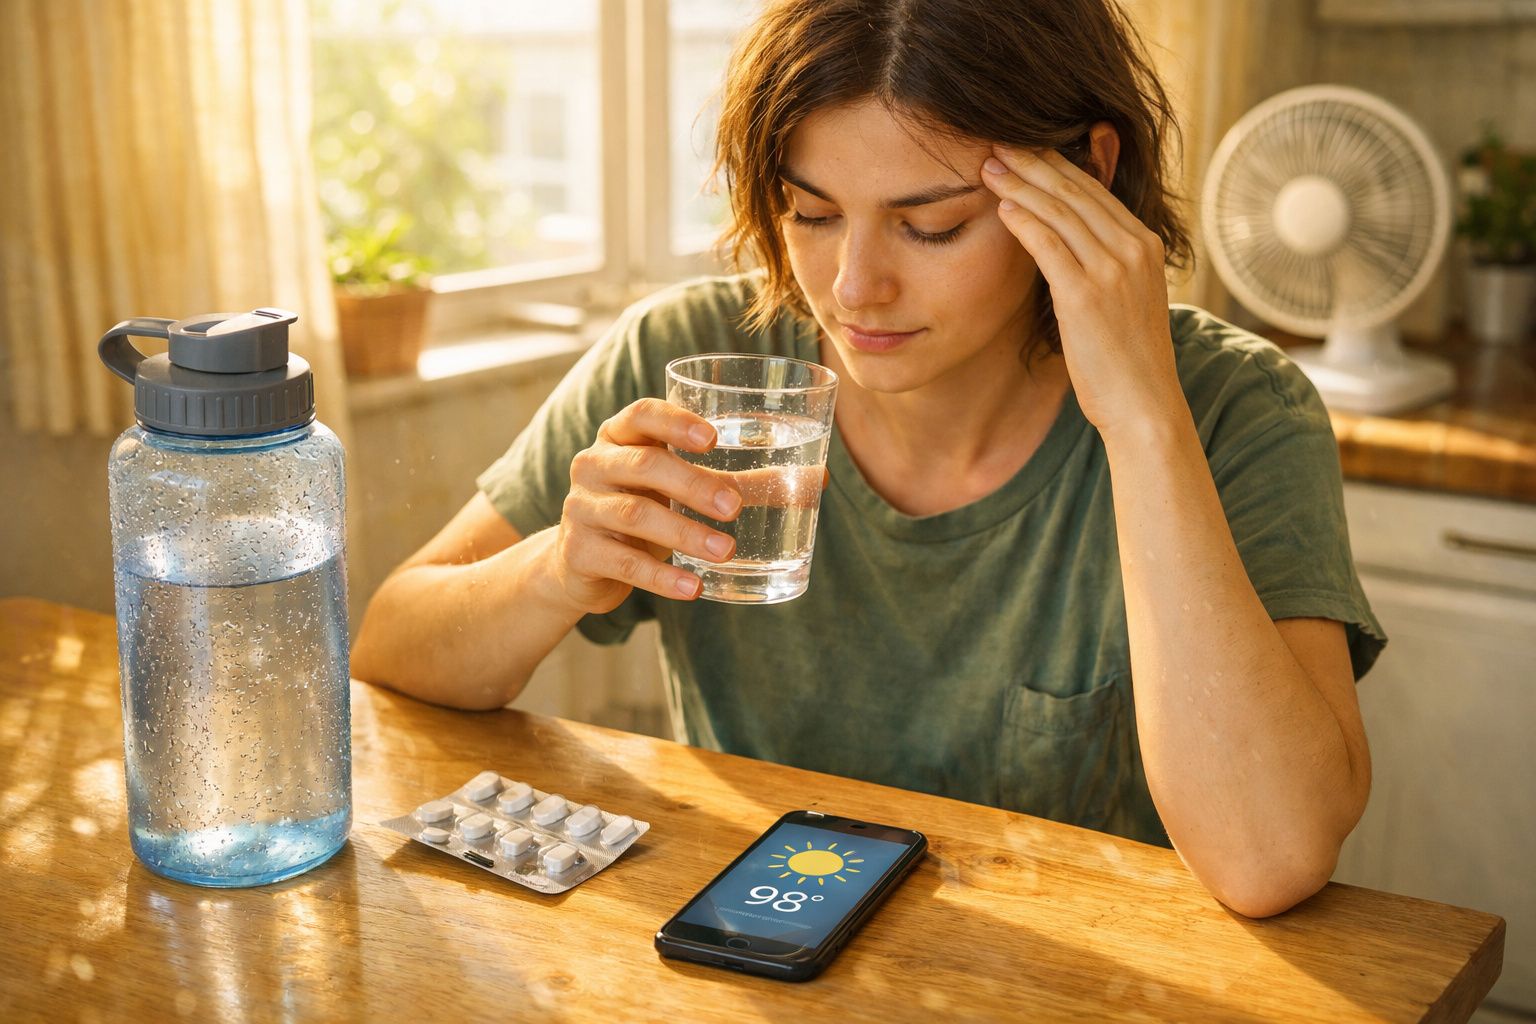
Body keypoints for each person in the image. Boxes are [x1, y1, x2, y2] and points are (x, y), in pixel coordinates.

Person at [352, 0, 1385, 918]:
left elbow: (1270, 857)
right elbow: (391, 648)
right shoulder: (690, 360)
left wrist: (1144, 420)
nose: (852, 288)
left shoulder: (1235, 408)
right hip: (759, 959)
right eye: (812, 213)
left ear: (1087, 175)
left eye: (929, 226)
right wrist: (554, 570)